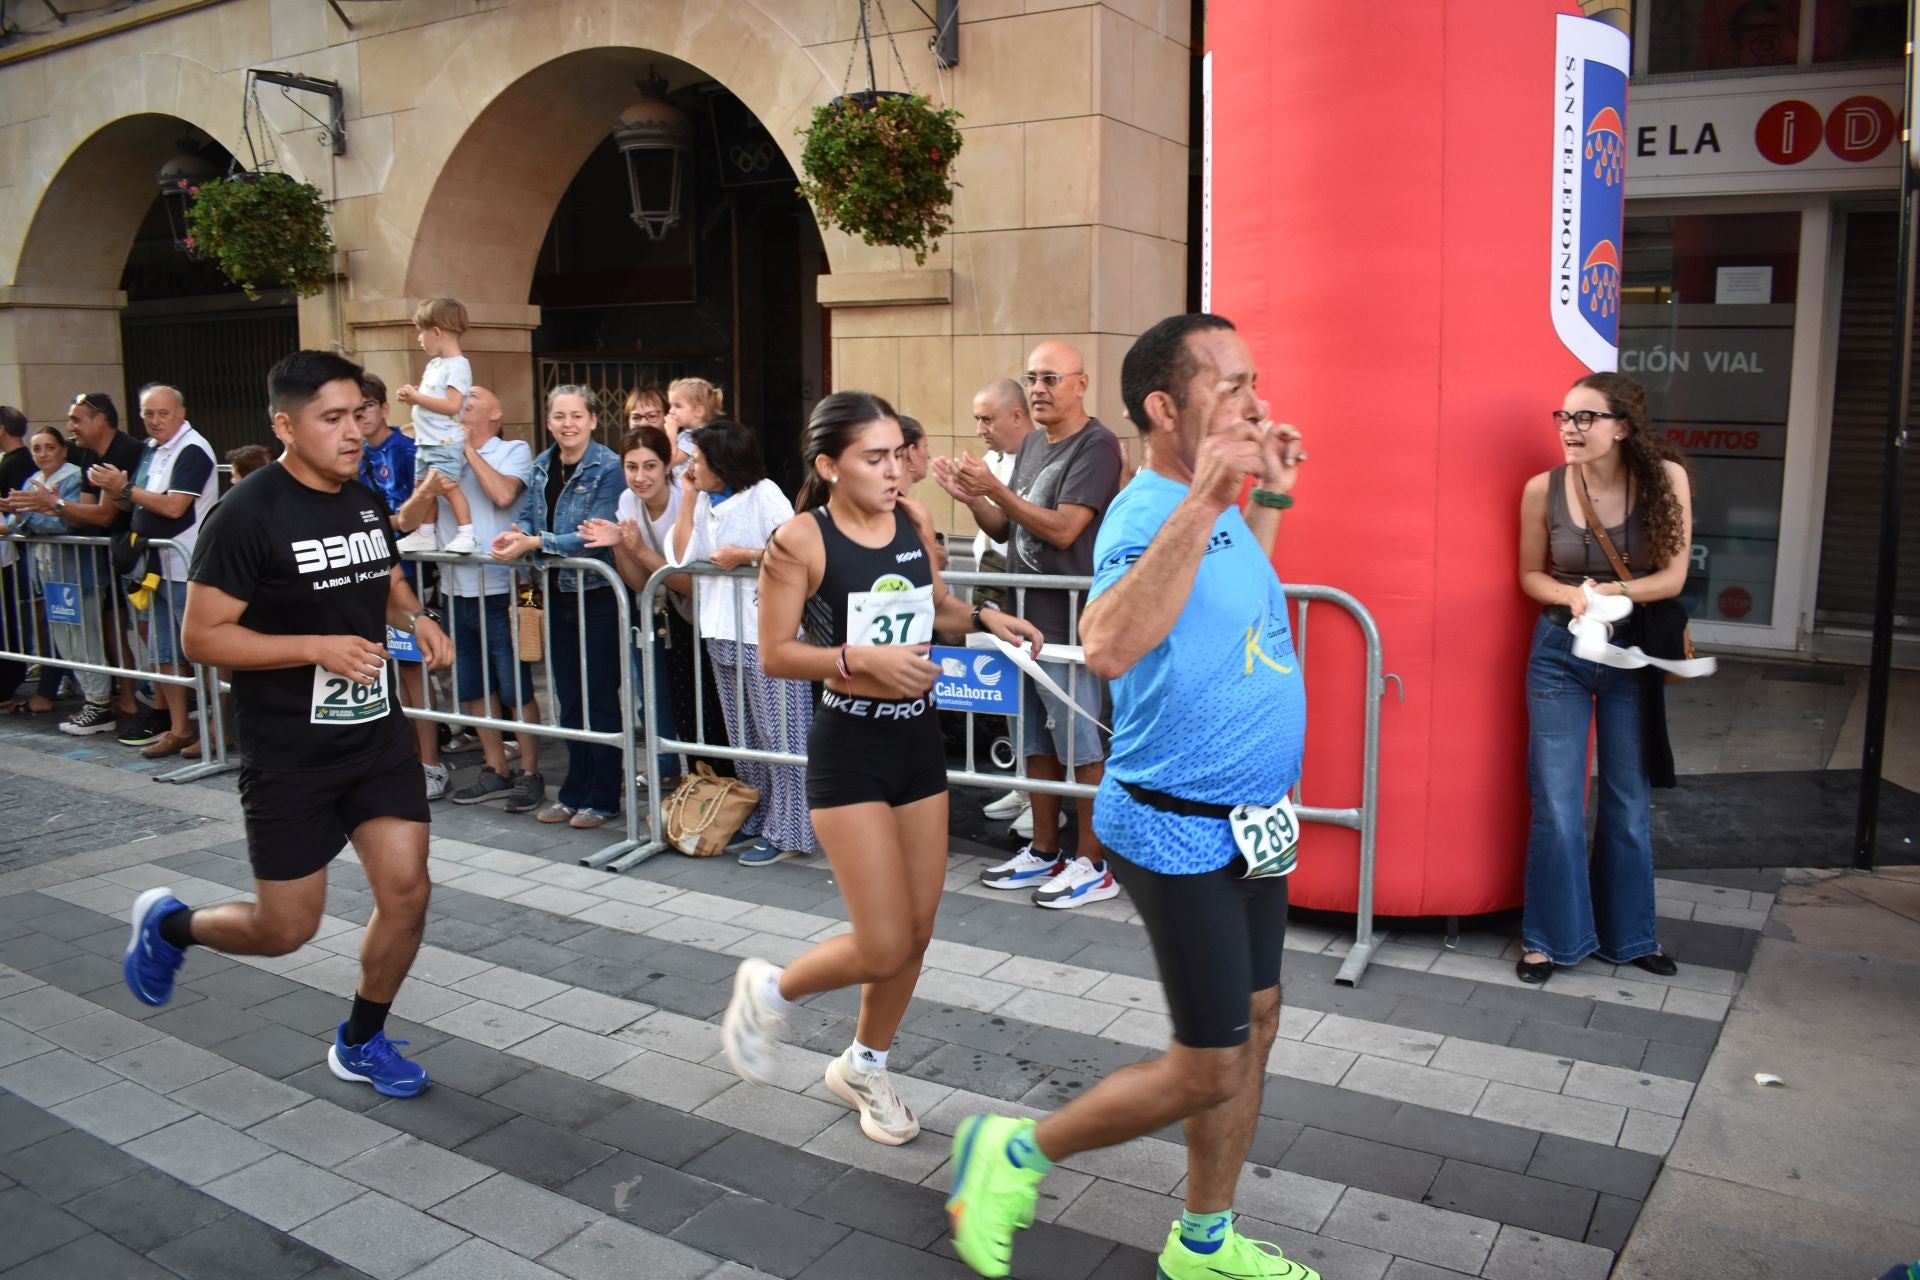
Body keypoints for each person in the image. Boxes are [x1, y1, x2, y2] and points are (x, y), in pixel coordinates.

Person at [946, 314, 1316, 1280]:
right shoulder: (1146, 509)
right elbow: (1108, 644)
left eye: (1253, 380)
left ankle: (1203, 1242)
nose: (1254, 400)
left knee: (1259, 1019)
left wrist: (1265, 486)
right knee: (1211, 1063)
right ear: (1165, 406)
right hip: (1176, 824)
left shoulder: (1214, 500)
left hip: (1254, 822)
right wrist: (1209, 495)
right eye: (1230, 386)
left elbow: (1237, 586)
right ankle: (1012, 1154)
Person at [121, 349, 453, 1100]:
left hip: (374, 740)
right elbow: (201, 637)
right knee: (286, 930)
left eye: (358, 417)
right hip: (290, 756)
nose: (353, 433)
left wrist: (418, 617)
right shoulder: (247, 513)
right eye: (330, 419)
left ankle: (362, 1041)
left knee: (407, 892)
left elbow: (385, 574)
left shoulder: (362, 497)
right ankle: (172, 926)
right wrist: (315, 648)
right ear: (284, 425)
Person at [722, 391, 1043, 1145]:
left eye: (899, 453)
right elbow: (775, 652)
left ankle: (865, 1064)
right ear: (830, 466)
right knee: (885, 939)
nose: (896, 470)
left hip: (916, 747)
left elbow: (931, 605)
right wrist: (853, 659)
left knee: (919, 930)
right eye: (875, 457)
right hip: (850, 752)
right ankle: (770, 988)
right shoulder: (800, 539)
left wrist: (984, 618)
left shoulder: (913, 521)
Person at [1516, 371, 1693, 984]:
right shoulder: (1543, 488)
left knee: (1626, 804)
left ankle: (1632, 937)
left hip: (1632, 656)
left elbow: (1671, 580)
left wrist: (1609, 591)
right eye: (1563, 417)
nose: (1571, 428)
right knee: (1559, 807)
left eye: (1586, 418)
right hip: (1559, 653)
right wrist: (1573, 598)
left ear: (1621, 427)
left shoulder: (1665, 481)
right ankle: (1547, 940)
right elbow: (1530, 577)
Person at [939, 341, 1124, 908]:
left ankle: (1093, 863)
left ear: (1080, 384)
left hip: (1068, 623)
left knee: (1081, 744)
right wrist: (973, 498)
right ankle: (1045, 850)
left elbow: (1065, 530)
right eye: (1032, 378)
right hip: (1022, 621)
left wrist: (995, 489)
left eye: (1051, 378)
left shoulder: (1097, 445)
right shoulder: (1033, 446)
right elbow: (1004, 531)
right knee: (1035, 744)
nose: (1039, 388)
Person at [670, 420, 814, 866]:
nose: (692, 467)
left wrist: (747, 557)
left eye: (699, 460)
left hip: (767, 631)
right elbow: (679, 556)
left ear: (723, 462)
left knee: (781, 733)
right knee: (744, 735)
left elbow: (800, 550)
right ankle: (759, 816)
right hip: (720, 628)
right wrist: (690, 496)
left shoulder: (765, 494)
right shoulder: (707, 501)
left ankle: (791, 829)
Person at [398, 386, 546, 813]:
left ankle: (531, 771)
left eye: (473, 397)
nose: (461, 401)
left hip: (509, 589)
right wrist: (429, 481)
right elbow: (408, 519)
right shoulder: (435, 452)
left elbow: (503, 495)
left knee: (515, 683)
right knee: (472, 685)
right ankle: (495, 766)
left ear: (496, 412)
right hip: (454, 589)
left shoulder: (514, 449)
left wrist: (465, 451)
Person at [490, 385, 626, 828]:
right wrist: (518, 536)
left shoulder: (608, 467)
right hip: (555, 591)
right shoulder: (542, 465)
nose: (568, 424)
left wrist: (535, 543)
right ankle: (573, 792)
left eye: (576, 416)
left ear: (592, 420)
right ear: (548, 421)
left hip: (599, 593)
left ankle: (603, 797)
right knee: (568, 698)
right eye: (559, 416)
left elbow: (595, 533)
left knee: (599, 697)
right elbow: (530, 516)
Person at [84, 384, 217, 759]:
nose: (155, 421)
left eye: (162, 413)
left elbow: (175, 507)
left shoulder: (192, 448)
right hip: (154, 564)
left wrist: (123, 487)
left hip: (185, 564)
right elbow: (136, 501)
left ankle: (216, 728)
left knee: (199, 650)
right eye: (148, 414)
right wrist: (116, 490)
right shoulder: (151, 449)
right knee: (162, 651)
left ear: (181, 412)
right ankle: (178, 727)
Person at [5, 393, 144, 736]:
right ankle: (108, 701)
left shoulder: (121, 452)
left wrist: (48, 506)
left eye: (76, 420)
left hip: (105, 566)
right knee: (79, 639)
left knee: (102, 637)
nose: (71, 427)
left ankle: (108, 703)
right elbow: (74, 516)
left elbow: (91, 517)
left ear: (100, 420)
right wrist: (42, 509)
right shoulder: (88, 461)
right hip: (72, 571)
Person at [943, 378, 1036, 827]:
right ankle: (1023, 785)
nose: (979, 427)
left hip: (1026, 589)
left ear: (1017, 415)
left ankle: (1046, 799)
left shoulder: (1041, 458)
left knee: (1037, 694)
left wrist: (987, 493)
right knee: (1006, 696)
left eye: (987, 418)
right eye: (977, 418)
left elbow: (1022, 528)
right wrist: (971, 498)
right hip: (989, 584)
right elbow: (995, 527)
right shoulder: (992, 460)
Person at [354, 374, 449, 800]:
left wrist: (389, 521)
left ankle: (430, 763)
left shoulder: (406, 450)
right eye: (350, 413)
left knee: (413, 673)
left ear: (383, 408)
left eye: (366, 409)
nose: (359, 419)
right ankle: (396, 756)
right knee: (376, 673)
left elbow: (415, 514)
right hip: (362, 580)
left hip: (405, 582)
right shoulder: (351, 456)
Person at [581, 424, 691, 791]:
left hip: (696, 608)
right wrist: (618, 545)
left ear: (666, 467)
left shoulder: (684, 498)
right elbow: (639, 582)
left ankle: (708, 776)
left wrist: (640, 550)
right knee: (653, 690)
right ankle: (665, 768)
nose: (640, 477)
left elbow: (687, 577)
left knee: (695, 696)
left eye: (649, 466)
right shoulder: (628, 502)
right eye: (631, 467)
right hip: (658, 608)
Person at [7, 428, 86, 715]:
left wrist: (27, 520)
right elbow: (14, 520)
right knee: (59, 630)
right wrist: (25, 517)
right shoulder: (33, 480)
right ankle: (74, 685)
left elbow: (66, 523)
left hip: (73, 569)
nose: (43, 454)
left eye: (49, 447)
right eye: (37, 449)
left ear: (63, 450)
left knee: (81, 636)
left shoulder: (74, 476)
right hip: (46, 569)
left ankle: (96, 699)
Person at [394, 297, 479, 556]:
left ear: (437, 332)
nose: (419, 338)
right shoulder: (435, 364)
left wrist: (417, 398)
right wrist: (414, 395)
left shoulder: (458, 365)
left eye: (421, 332)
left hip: (443, 441)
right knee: (422, 487)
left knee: (448, 486)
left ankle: (467, 533)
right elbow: (434, 396)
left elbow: (453, 404)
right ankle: (425, 533)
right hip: (426, 440)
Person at [665, 376, 724, 476]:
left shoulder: (694, 437)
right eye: (671, 405)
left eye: (678, 406)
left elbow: (672, 460)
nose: (671, 411)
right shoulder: (690, 433)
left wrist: (671, 433)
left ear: (698, 411)